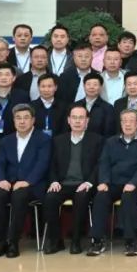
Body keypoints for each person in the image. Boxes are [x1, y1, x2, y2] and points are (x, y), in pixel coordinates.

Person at [87, 109, 137, 256]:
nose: (127, 124)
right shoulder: (110, 142)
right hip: (114, 183)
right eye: (124, 121)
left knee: (128, 196)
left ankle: (130, 241)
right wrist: (104, 181)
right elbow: (104, 163)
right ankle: (97, 240)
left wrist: (134, 183)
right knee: (101, 196)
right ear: (120, 123)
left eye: (131, 121)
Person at [0, 104, 52, 259]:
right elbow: (0, 163)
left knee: (19, 196)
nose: (22, 121)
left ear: (33, 120)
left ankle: (13, 241)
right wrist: (0, 180)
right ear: (13, 120)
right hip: (9, 182)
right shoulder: (6, 140)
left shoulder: (43, 139)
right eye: (18, 118)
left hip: (33, 184)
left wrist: (28, 181)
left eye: (26, 118)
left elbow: (42, 164)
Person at [42, 103, 102, 255]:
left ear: (87, 121)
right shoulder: (58, 140)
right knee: (50, 198)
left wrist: (89, 182)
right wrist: (54, 181)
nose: (77, 121)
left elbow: (100, 165)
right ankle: (56, 241)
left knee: (81, 198)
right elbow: (51, 165)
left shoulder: (97, 140)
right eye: (74, 117)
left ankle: (76, 240)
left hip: (84, 184)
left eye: (81, 118)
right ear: (68, 120)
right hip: (62, 184)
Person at [77, 72, 116, 137]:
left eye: (95, 84)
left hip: (99, 142)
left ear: (101, 87)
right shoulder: (75, 106)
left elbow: (109, 133)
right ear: (84, 86)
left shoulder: (108, 108)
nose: (91, 87)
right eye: (88, 84)